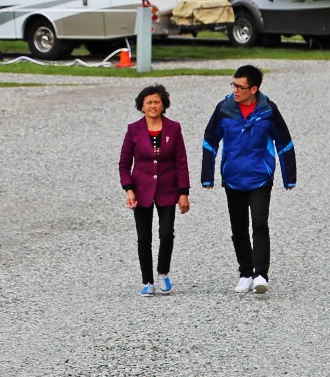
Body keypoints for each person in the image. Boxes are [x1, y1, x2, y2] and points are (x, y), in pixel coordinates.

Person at [199, 64, 296, 294]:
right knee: (238, 228)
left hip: (260, 177)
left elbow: (284, 142)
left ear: (254, 89)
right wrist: (207, 176)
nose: (235, 90)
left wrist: (288, 177)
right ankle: (245, 272)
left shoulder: (269, 110)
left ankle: (260, 274)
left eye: (240, 86)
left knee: (260, 224)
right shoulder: (223, 109)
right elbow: (210, 141)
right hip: (233, 178)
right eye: (233, 84)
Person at [118, 84, 189, 296]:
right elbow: (123, 164)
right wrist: (129, 189)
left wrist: (183, 192)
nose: (153, 106)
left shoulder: (174, 128)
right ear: (141, 106)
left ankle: (162, 273)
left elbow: (181, 162)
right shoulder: (133, 129)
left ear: (163, 104)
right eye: (148, 102)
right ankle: (147, 280)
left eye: (156, 102)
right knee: (144, 237)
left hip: (168, 189)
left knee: (166, 234)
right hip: (141, 190)